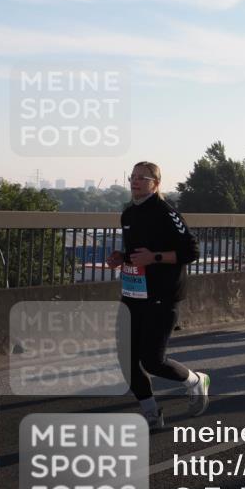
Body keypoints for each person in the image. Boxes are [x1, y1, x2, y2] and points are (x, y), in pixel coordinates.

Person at [104, 162, 205, 431]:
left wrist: (155, 257)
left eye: (142, 178)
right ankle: (151, 413)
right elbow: (137, 252)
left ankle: (195, 381)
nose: (135, 182)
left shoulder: (166, 212)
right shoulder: (128, 214)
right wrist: (121, 258)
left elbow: (192, 252)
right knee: (127, 357)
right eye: (132, 177)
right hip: (133, 293)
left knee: (152, 360)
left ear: (155, 183)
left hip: (162, 295)